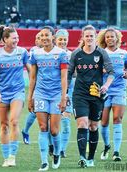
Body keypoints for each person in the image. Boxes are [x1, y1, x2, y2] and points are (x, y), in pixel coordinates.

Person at [67, 25, 114, 168]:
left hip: (96, 95)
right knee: (82, 124)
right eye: (86, 36)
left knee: (93, 126)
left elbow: (112, 72)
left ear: (95, 37)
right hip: (80, 94)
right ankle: (82, 157)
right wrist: (65, 93)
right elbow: (68, 74)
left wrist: (106, 86)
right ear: (82, 38)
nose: (89, 38)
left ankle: (90, 158)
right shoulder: (76, 54)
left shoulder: (101, 53)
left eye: (91, 36)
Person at [0, 26, 30, 167]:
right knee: (4, 125)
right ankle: (6, 157)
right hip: (2, 93)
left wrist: (33, 89)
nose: (16, 40)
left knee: (13, 121)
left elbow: (31, 72)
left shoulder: (22, 52)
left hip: (18, 92)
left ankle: (12, 155)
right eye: (14, 38)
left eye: (17, 37)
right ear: (5, 39)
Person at [28, 26, 68, 171]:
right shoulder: (35, 54)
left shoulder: (62, 54)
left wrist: (64, 97)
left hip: (56, 94)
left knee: (54, 130)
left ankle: (57, 153)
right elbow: (32, 77)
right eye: (42, 35)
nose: (44, 37)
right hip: (40, 94)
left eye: (47, 35)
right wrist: (30, 97)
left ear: (53, 37)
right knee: (43, 127)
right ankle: (44, 161)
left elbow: (64, 78)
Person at [97, 28, 127, 161]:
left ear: (117, 38)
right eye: (107, 37)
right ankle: (106, 146)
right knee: (104, 122)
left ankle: (116, 152)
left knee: (117, 119)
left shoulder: (124, 53)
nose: (110, 39)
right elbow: (95, 69)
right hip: (104, 90)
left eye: (112, 37)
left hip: (119, 89)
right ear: (104, 39)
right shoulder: (100, 53)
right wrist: (102, 70)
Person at [55, 29, 74, 158]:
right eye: (60, 39)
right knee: (53, 123)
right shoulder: (51, 54)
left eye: (64, 39)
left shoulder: (72, 55)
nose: (62, 42)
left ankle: (62, 149)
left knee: (66, 123)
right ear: (55, 40)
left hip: (69, 92)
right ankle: (54, 147)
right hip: (53, 92)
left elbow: (75, 73)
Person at [21, 31, 42, 145]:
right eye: (37, 38)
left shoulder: (51, 51)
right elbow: (31, 71)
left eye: (40, 37)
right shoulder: (34, 51)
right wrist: (32, 88)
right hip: (38, 86)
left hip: (50, 86)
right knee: (35, 111)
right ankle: (26, 131)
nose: (39, 39)